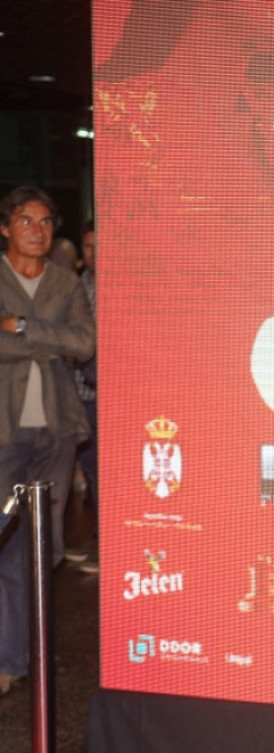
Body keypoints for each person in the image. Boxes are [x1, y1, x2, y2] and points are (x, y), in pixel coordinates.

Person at [0, 187, 95, 695]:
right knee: (8, 542)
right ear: (4, 228)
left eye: (44, 222)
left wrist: (21, 328)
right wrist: (49, 343)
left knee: (48, 545)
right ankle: (12, 656)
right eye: (24, 220)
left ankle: (27, 647)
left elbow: (85, 343)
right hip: (4, 431)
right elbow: (65, 342)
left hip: (56, 429)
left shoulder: (66, 281)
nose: (36, 231)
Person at [72, 221, 99, 573]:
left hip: (117, 396)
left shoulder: (125, 286)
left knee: (112, 470)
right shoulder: (75, 287)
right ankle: (97, 536)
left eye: (100, 245)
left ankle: (108, 542)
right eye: (89, 246)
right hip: (80, 392)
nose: (95, 253)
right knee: (91, 466)